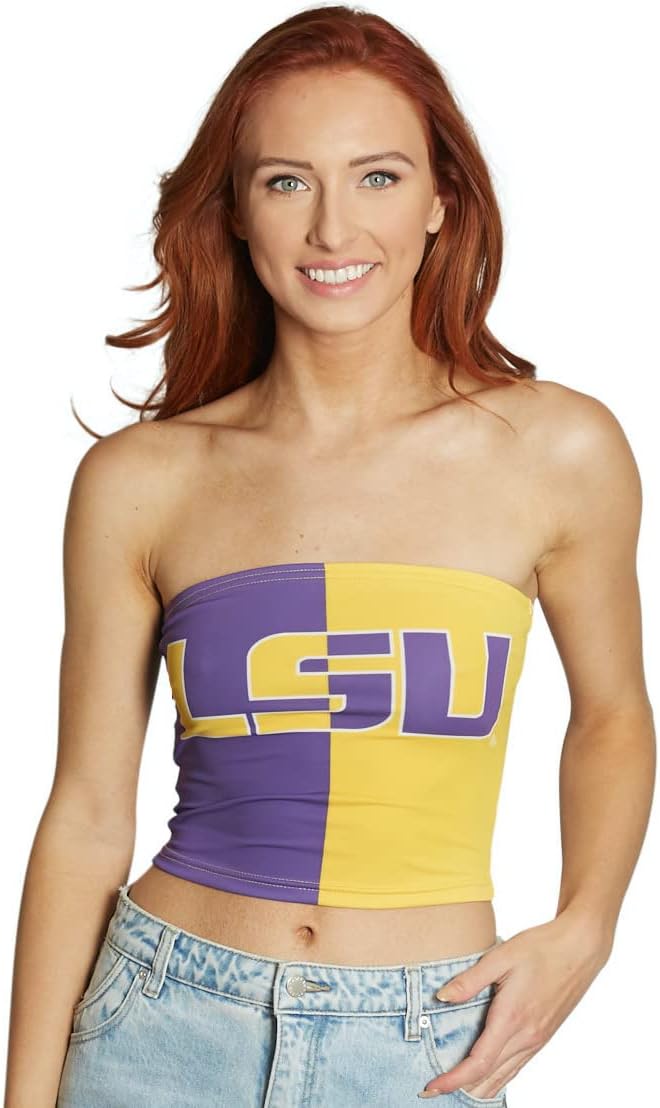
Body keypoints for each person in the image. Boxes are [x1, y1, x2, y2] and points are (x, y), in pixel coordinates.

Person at [5, 6, 655, 1107]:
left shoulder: (558, 448)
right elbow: (86, 814)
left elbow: (613, 717)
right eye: (287, 182)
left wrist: (585, 928)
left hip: (424, 1042)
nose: (333, 229)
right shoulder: (141, 479)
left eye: (379, 177)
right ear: (235, 209)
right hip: (160, 1020)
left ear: (442, 199)